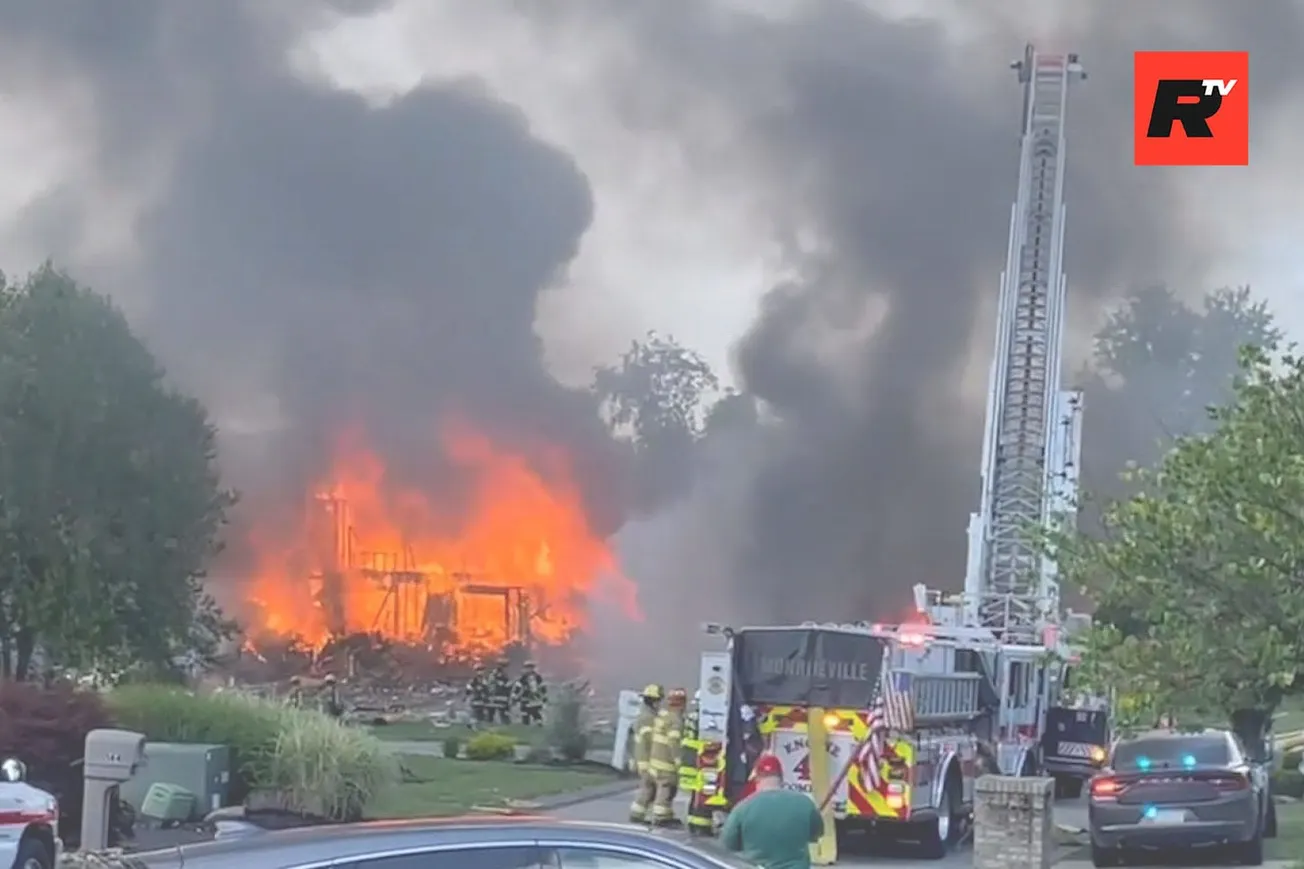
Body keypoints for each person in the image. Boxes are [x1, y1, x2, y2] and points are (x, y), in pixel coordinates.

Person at [721, 753, 824, 869]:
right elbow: (817, 834)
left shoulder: (742, 808)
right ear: (781, 777)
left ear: (757, 778)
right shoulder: (805, 803)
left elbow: (728, 843)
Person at [649, 687, 688, 827]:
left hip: (656, 760)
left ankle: (666, 814)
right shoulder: (675, 720)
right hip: (666, 762)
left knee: (665, 788)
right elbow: (674, 742)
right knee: (666, 788)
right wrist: (678, 760)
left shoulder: (664, 716)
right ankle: (661, 817)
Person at [628, 683, 664, 823]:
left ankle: (638, 814)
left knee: (649, 787)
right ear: (653, 701)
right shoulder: (648, 718)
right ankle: (637, 815)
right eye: (658, 701)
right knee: (648, 787)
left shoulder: (646, 716)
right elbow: (650, 740)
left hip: (644, 758)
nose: (659, 704)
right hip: (647, 759)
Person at [513, 661, 548, 725]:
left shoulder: (537, 677)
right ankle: (528, 725)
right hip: (527, 698)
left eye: (530, 668)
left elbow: (542, 686)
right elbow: (517, 687)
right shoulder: (523, 678)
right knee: (526, 713)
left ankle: (537, 724)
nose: (529, 669)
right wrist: (514, 696)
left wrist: (544, 696)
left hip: (534, 698)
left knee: (533, 712)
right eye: (528, 668)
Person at [487, 659, 512, 725]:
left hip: (502, 696)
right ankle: (489, 723)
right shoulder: (494, 673)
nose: (503, 667)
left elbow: (507, 684)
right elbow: (491, 681)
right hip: (494, 695)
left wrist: (508, 685)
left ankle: (506, 724)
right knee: (491, 712)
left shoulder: (504, 674)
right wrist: (499, 683)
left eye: (504, 666)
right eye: (502, 665)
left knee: (504, 712)